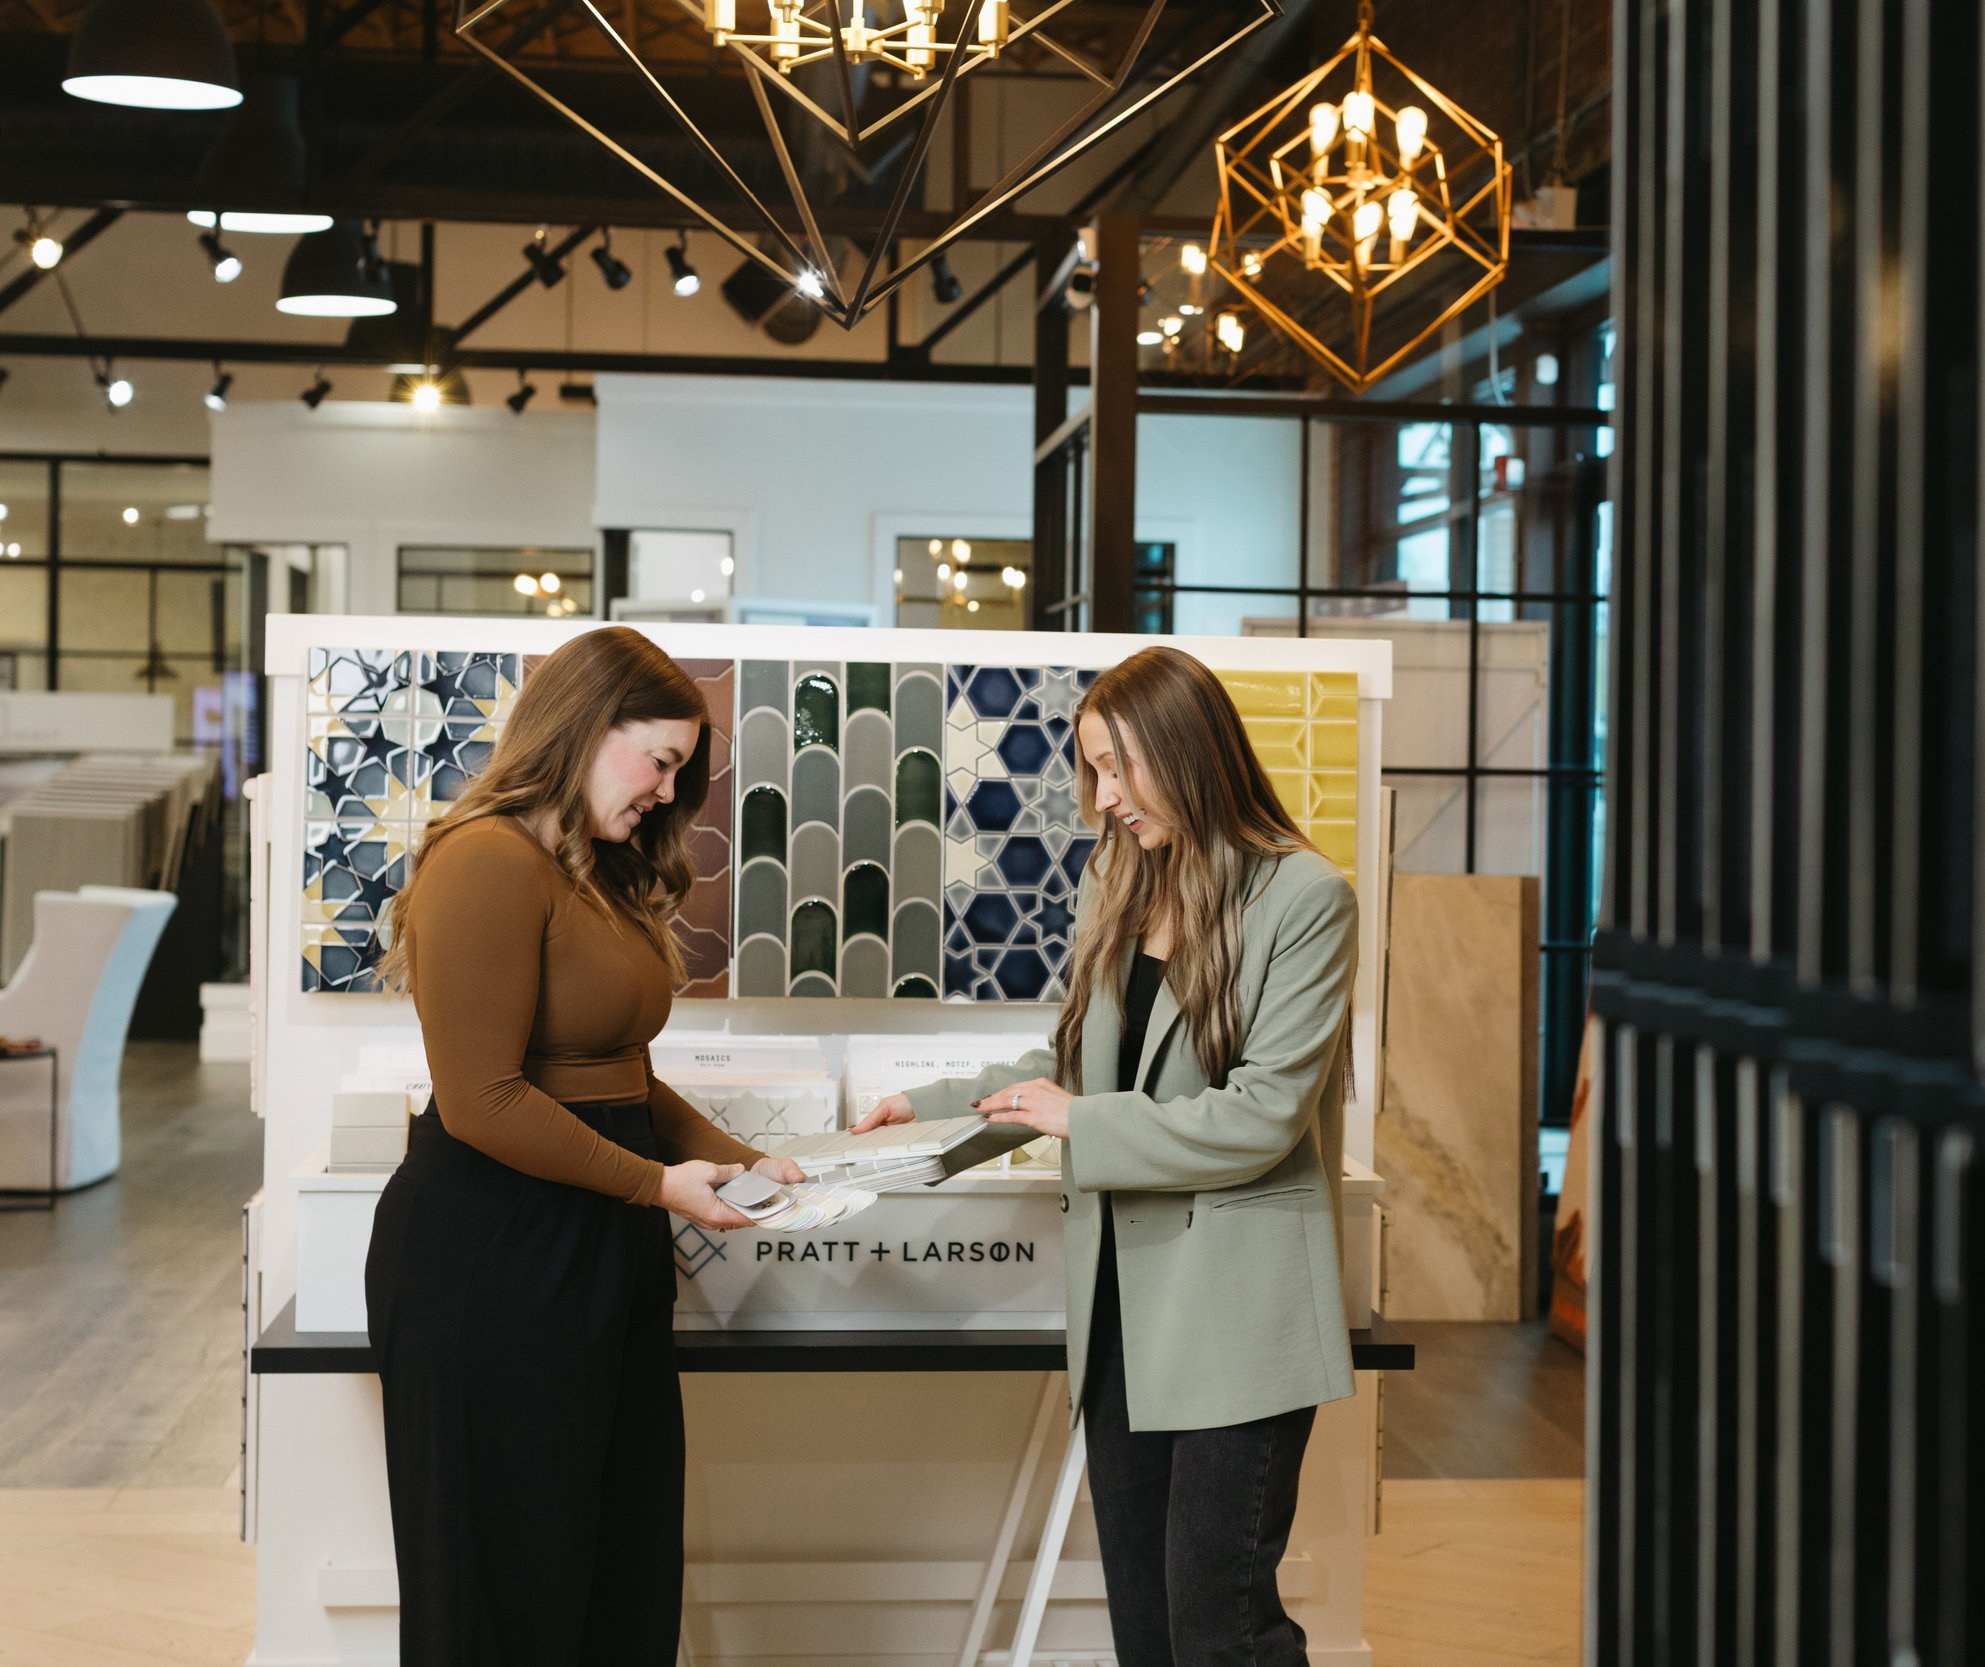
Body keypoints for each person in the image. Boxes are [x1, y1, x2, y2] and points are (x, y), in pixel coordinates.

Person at [853, 644, 1360, 1667]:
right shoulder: (1117, 881)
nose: (1106, 795)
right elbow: (1072, 1066)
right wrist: (930, 1109)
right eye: (1093, 769)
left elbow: (1263, 1115)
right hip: (1122, 1311)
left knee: (1220, 1628)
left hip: (1237, 1314)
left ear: (1189, 750)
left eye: (1121, 766)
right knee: (1146, 1624)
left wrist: (1078, 1121)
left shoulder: (1306, 897)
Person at [364, 626, 805, 1666]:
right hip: (492, 1258)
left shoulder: (592, 871)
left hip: (600, 1249)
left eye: (681, 770)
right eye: (659, 759)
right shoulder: (484, 860)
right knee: (503, 1601)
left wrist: (742, 1160)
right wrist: (659, 1184)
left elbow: (620, 1075)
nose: (668, 790)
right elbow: (482, 1100)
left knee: (619, 1579)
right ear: (585, 726)